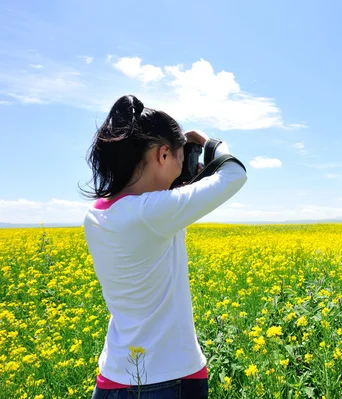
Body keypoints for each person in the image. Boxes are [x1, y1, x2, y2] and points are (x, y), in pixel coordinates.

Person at [81, 94, 248, 399]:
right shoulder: (153, 213)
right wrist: (212, 144)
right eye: (179, 157)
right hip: (168, 380)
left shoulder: (97, 214)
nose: (183, 165)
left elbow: (152, 209)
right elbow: (235, 174)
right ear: (162, 155)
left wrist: (177, 182)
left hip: (113, 377)